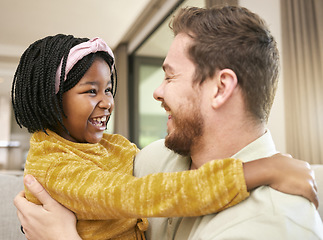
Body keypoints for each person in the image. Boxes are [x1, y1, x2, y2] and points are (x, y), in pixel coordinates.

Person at [13, 6, 321, 240]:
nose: (157, 91)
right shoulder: (157, 159)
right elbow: (129, 192)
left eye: (170, 76)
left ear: (221, 87)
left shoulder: (273, 225)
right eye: (91, 91)